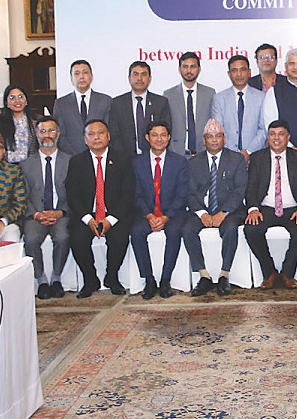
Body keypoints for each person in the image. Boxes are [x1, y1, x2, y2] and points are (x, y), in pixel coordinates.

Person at [66, 120, 135, 298]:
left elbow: (128, 193)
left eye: (101, 133)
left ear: (108, 136)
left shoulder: (122, 159)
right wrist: (88, 219)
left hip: (114, 214)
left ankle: (112, 276)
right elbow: (72, 195)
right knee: (77, 239)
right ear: (85, 139)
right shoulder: (76, 162)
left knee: (120, 238)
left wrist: (110, 219)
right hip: (87, 215)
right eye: (91, 134)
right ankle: (90, 280)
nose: (96, 137)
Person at [244, 120, 297, 289]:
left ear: (288, 137)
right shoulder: (257, 158)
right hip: (266, 208)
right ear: (267, 137)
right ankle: (270, 273)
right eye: (272, 134)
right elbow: (251, 186)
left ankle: (287, 273)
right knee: (251, 229)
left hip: (293, 208)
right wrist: (253, 208)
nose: (276, 138)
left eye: (281, 134)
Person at [184, 119, 249, 296]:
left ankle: (224, 275)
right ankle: (203, 275)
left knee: (231, 228)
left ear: (224, 139)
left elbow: (240, 190)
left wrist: (224, 212)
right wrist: (202, 214)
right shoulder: (193, 163)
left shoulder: (236, 159)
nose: (214, 140)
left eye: (218, 136)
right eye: (210, 136)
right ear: (204, 140)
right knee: (187, 229)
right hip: (202, 210)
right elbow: (189, 192)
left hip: (230, 211)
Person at [130, 121, 191, 299]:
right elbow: (135, 193)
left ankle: (165, 279)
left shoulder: (179, 162)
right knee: (136, 232)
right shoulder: (137, 162)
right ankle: (148, 279)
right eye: (154, 135)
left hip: (172, 213)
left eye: (163, 135)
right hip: (146, 213)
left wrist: (166, 217)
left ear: (169, 137)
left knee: (174, 231)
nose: (159, 139)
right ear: (147, 138)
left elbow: (182, 194)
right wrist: (149, 215)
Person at [21, 117, 71, 299]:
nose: (47, 135)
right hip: (36, 215)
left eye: (51, 131)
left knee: (63, 237)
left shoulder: (70, 161)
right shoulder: (26, 164)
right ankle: (41, 280)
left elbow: (75, 193)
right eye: (43, 131)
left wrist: (60, 212)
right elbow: (22, 195)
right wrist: (35, 214)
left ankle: (56, 279)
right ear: (36, 134)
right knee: (31, 239)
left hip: (61, 213)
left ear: (58, 133)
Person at [107, 61, 172, 157]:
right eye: (135, 74)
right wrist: (122, 156)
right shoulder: (117, 103)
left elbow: (166, 131)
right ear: (129, 78)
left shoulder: (160, 102)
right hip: (124, 158)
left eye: (144, 74)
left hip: (153, 157)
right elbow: (113, 134)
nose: (139, 78)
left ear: (149, 78)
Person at [210, 54, 267, 159]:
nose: (239, 74)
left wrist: (249, 151)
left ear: (249, 72)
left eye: (243, 69)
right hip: (228, 156)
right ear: (229, 74)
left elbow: (263, 129)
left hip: (256, 156)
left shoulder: (261, 97)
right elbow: (219, 130)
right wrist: (236, 153)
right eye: (234, 70)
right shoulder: (219, 98)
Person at [53, 59, 112, 156]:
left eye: (85, 73)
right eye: (77, 73)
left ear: (91, 76)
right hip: (71, 157)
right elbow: (60, 134)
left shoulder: (105, 101)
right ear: (71, 79)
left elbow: (109, 132)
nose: (81, 77)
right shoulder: (61, 104)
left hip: (100, 155)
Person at [164, 51, 216, 158]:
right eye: (185, 67)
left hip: (203, 153)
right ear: (179, 69)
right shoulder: (169, 95)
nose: (189, 70)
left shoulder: (209, 93)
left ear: (199, 69)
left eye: (193, 66)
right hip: (176, 153)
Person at [0, 84, 39, 164]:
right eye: (12, 98)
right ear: (6, 103)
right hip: (6, 166)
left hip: (31, 165)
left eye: (20, 97)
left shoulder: (37, 120)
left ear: (26, 101)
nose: (17, 101)